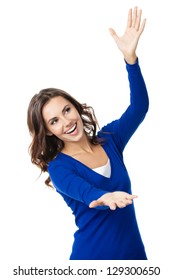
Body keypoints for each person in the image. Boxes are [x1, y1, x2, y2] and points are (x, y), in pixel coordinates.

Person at [27, 7, 149, 260]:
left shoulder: (110, 139)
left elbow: (139, 107)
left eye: (67, 110)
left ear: (76, 107)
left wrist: (131, 60)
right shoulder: (59, 168)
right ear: (48, 131)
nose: (67, 122)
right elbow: (88, 193)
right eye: (54, 121)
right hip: (91, 263)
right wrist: (106, 196)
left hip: (135, 259)